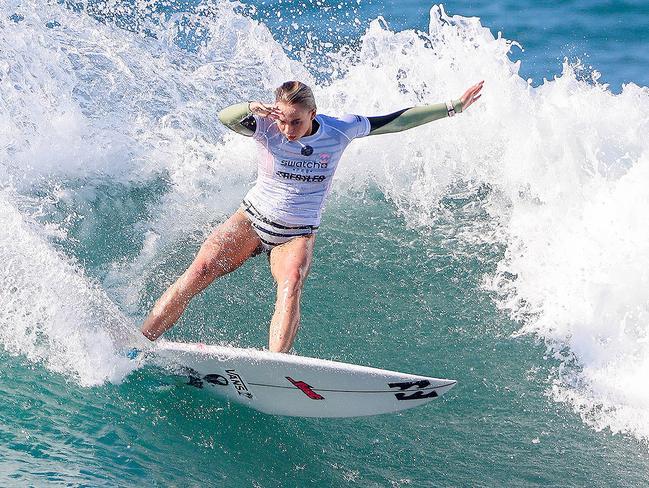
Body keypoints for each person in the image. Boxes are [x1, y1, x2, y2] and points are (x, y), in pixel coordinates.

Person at [140, 80, 484, 353]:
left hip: (296, 232)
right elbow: (225, 118)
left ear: (313, 113)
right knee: (197, 272)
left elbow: (396, 121)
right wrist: (251, 109)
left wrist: (452, 107)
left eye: (297, 121)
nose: (288, 129)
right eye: (284, 119)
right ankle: (143, 340)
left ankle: (275, 368)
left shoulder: (340, 130)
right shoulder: (266, 126)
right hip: (252, 220)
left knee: (291, 285)